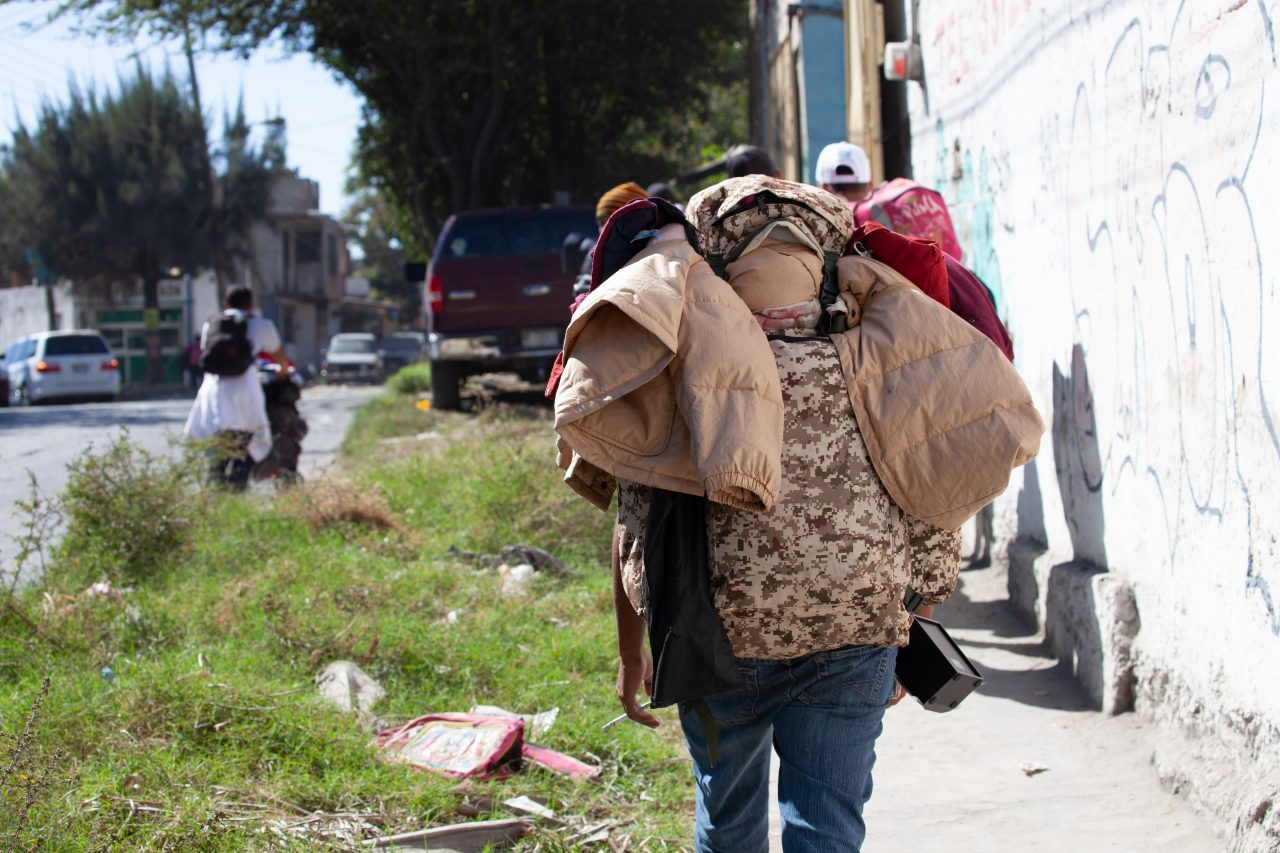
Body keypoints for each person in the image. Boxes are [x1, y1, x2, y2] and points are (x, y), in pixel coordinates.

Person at [551, 176, 1041, 851]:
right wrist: (913, 618)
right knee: (828, 828)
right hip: (856, 634)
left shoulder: (682, 363)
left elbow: (638, 526)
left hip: (716, 643)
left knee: (727, 825)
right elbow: (933, 497)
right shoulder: (886, 352)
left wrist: (631, 650)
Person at [183, 286, 290, 490]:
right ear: (250, 304)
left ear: (226, 304)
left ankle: (214, 491)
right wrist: (281, 372)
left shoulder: (212, 324)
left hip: (213, 390)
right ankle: (236, 491)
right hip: (245, 391)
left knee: (217, 449)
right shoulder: (261, 325)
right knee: (246, 444)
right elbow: (279, 357)